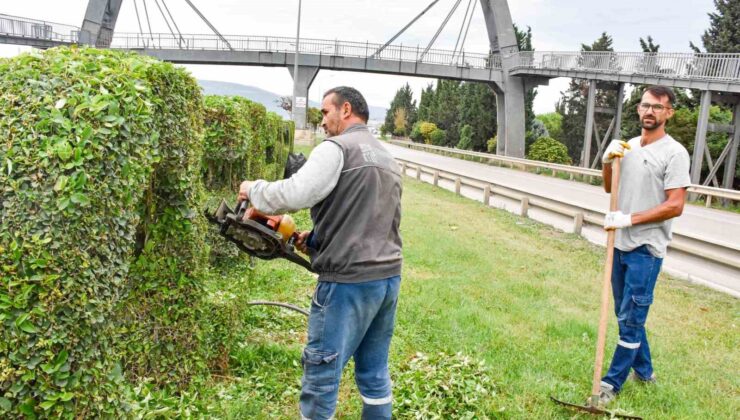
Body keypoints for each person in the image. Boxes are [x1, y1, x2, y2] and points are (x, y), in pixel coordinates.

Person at [238, 86, 403, 420]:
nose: (322, 120)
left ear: (345, 109)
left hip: (347, 282)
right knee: (373, 373)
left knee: (322, 373)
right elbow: (371, 216)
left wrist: (253, 190)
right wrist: (315, 238)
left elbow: (296, 192)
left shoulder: (336, 148)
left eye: (325, 112)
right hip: (386, 279)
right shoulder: (386, 156)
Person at [597, 85, 691, 405]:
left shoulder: (674, 153)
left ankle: (610, 384)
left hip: (646, 249)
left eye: (657, 107)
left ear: (669, 113)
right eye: (645, 105)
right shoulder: (629, 146)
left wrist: (629, 219)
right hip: (619, 244)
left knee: (631, 318)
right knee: (628, 316)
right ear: (638, 109)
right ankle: (646, 372)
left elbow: (675, 205)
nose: (649, 111)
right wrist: (608, 162)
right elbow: (611, 187)